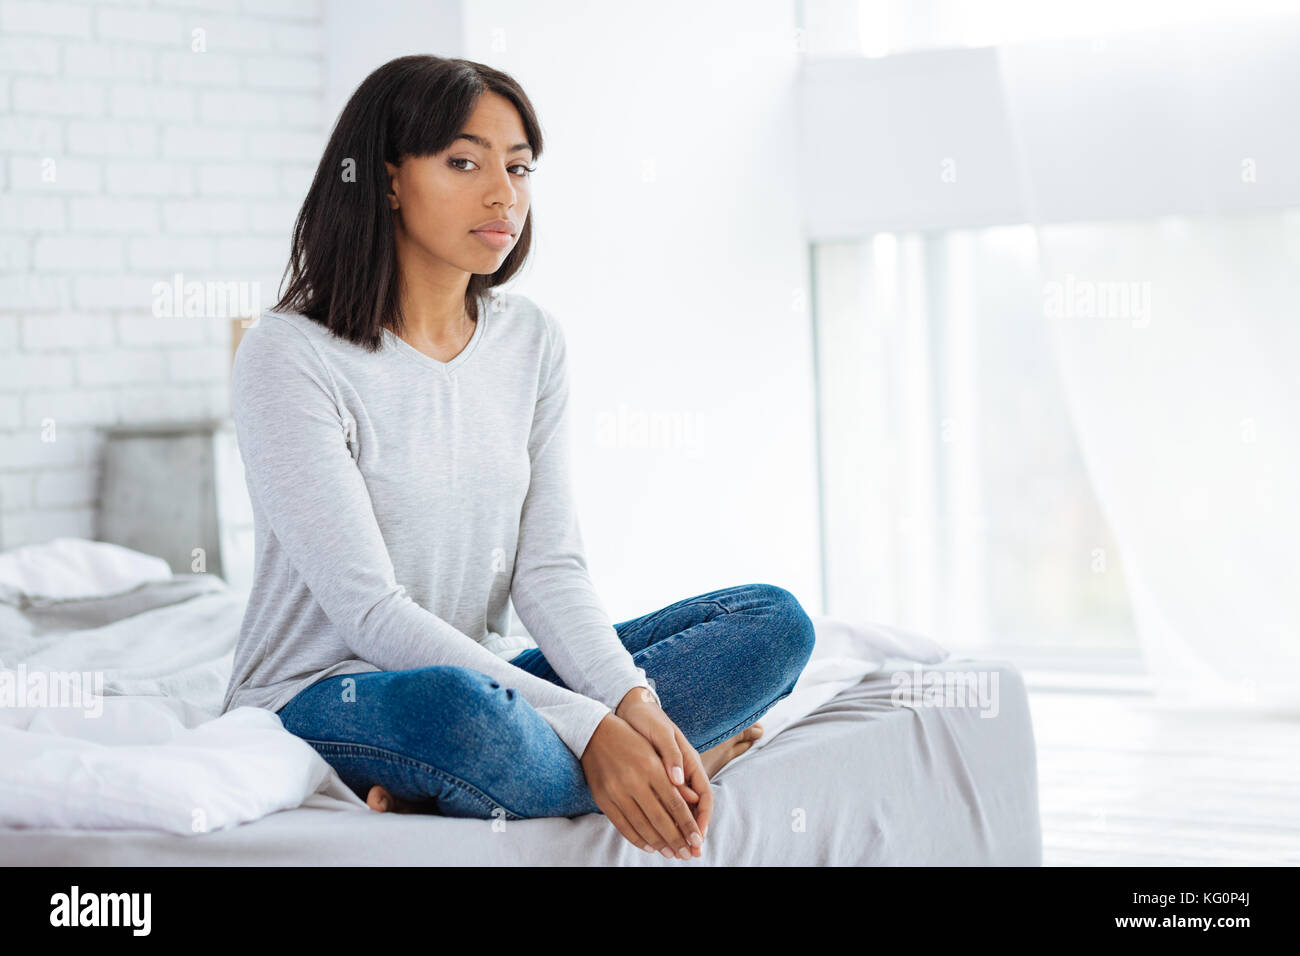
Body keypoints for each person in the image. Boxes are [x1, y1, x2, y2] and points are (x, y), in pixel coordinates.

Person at [221, 54, 815, 861]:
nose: (504, 195)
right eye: (464, 163)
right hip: (328, 696)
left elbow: (548, 571)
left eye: (519, 167)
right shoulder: (289, 355)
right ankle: (673, 762)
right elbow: (370, 613)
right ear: (388, 179)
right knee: (464, 718)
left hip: (487, 678)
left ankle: (558, 774)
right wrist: (590, 727)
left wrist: (629, 706)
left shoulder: (530, 340)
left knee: (772, 623)